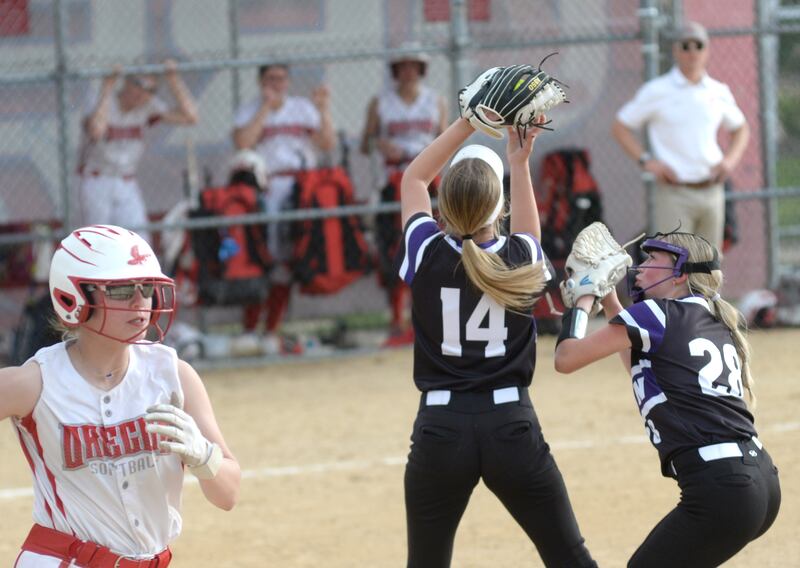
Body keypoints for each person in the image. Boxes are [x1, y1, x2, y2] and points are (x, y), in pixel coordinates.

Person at [398, 115, 597, 568]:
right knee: (569, 556)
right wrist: (518, 158)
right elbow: (528, 230)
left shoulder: (426, 251)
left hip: (440, 430)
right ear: (500, 209)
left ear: (442, 210)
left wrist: (469, 121)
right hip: (511, 425)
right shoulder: (521, 256)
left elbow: (414, 177)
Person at [1, 225, 240, 566]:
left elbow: (228, 495)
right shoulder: (37, 382)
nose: (140, 301)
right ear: (73, 297)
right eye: (122, 289)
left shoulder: (174, 375)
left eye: (147, 288)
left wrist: (205, 458)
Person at [553, 230, 781, 567]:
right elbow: (642, 366)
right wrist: (609, 299)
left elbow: (566, 358)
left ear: (680, 275)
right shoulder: (712, 316)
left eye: (653, 260)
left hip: (722, 487)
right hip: (758, 480)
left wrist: (583, 299)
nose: (641, 267)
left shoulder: (657, 314)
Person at [612, 21, 750, 251]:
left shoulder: (717, 90)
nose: (692, 52)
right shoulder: (658, 90)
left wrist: (730, 161)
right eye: (685, 46)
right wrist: (648, 162)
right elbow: (620, 126)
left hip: (711, 189)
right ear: (675, 50)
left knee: (708, 265)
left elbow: (741, 128)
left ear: (707, 50)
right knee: (675, 262)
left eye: (699, 45)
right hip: (674, 191)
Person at [232, 63, 336, 355]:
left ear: (288, 81)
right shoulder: (251, 109)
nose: (276, 83)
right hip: (266, 187)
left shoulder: (302, 108)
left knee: (289, 259)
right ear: (260, 81)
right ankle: (251, 329)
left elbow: (327, 143)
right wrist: (266, 107)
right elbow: (242, 143)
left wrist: (324, 109)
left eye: (280, 78)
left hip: (302, 186)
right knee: (262, 257)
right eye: (269, 79)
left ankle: (271, 330)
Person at [361, 47, 447, 347]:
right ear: (395, 71)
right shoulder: (381, 103)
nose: (408, 72)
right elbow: (365, 143)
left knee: (430, 247)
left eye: (414, 66)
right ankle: (397, 320)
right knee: (394, 250)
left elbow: (446, 139)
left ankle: (423, 319)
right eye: (403, 66)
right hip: (393, 180)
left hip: (429, 180)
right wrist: (379, 143)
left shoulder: (435, 101)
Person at [77, 60, 199, 243]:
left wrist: (174, 80)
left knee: (139, 242)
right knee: (95, 244)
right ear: (127, 82)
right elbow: (96, 130)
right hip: (95, 179)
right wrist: (107, 87)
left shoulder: (148, 107)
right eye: (139, 85)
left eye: (151, 90)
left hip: (126, 182)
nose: (143, 94)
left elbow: (190, 117)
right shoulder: (101, 100)